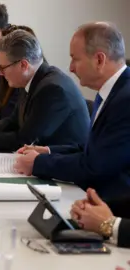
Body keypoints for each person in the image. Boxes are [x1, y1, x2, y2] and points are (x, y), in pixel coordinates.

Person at [14, 22, 130, 199]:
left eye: (75, 58)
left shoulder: (125, 99)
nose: (71, 67)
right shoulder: (113, 91)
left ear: (99, 60)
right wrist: (49, 151)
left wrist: (39, 163)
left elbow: (95, 166)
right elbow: (92, 149)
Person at [0, 30, 89, 152]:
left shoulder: (52, 89)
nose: (0, 74)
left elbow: (25, 140)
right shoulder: (33, 80)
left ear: (23, 65)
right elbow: (12, 122)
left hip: (66, 178)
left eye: (3, 67)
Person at [0, 25, 42, 123]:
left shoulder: (27, 85)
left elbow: (15, 130)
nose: (0, 73)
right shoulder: (12, 80)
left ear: (23, 64)